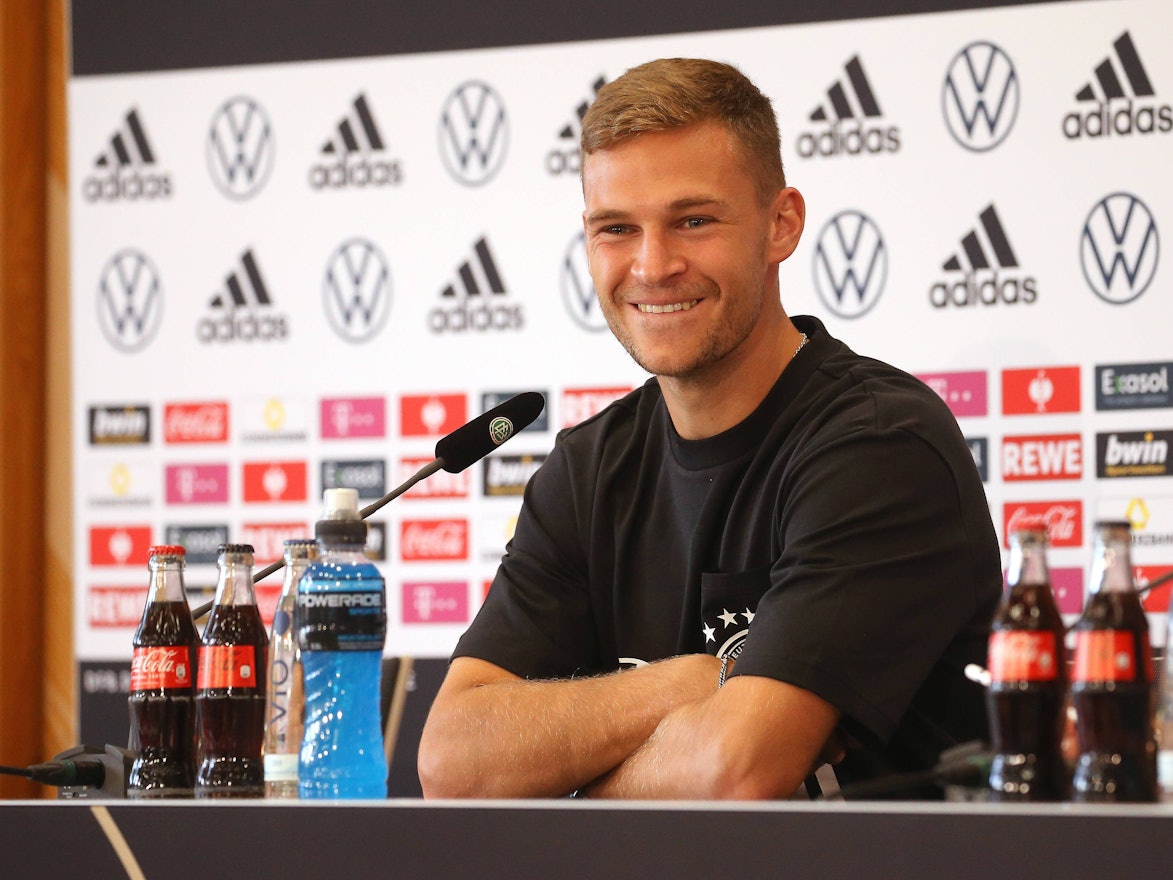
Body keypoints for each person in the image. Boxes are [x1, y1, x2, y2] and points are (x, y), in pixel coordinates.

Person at [417, 57, 1002, 800]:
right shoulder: (586, 470)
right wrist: (695, 682)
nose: (652, 265)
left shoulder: (879, 445)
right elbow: (452, 761)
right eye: (616, 228)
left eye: (693, 220)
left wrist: (570, 789)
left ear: (779, 224)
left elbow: (735, 769)